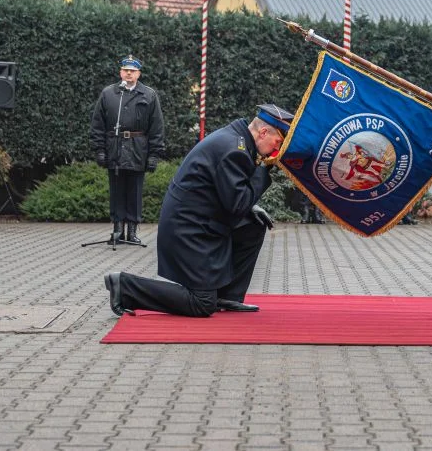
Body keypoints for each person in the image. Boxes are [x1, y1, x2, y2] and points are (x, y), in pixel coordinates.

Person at [104, 104, 293, 317]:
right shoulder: (234, 150)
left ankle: (228, 296)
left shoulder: (237, 140)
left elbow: (230, 193)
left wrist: (251, 206)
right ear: (264, 132)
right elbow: (237, 204)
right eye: (278, 142)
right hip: (188, 230)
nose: (277, 149)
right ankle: (125, 287)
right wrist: (265, 169)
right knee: (202, 303)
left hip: (199, 220)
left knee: (253, 226)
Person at [90, 54, 165, 246]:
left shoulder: (149, 95)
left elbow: (156, 127)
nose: (129, 74)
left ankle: (131, 231)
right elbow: (98, 124)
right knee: (116, 189)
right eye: (125, 70)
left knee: (134, 190)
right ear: (120, 72)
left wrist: (154, 155)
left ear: (139, 73)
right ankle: (117, 230)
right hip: (114, 147)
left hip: (137, 149)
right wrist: (99, 149)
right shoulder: (109, 93)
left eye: (132, 71)